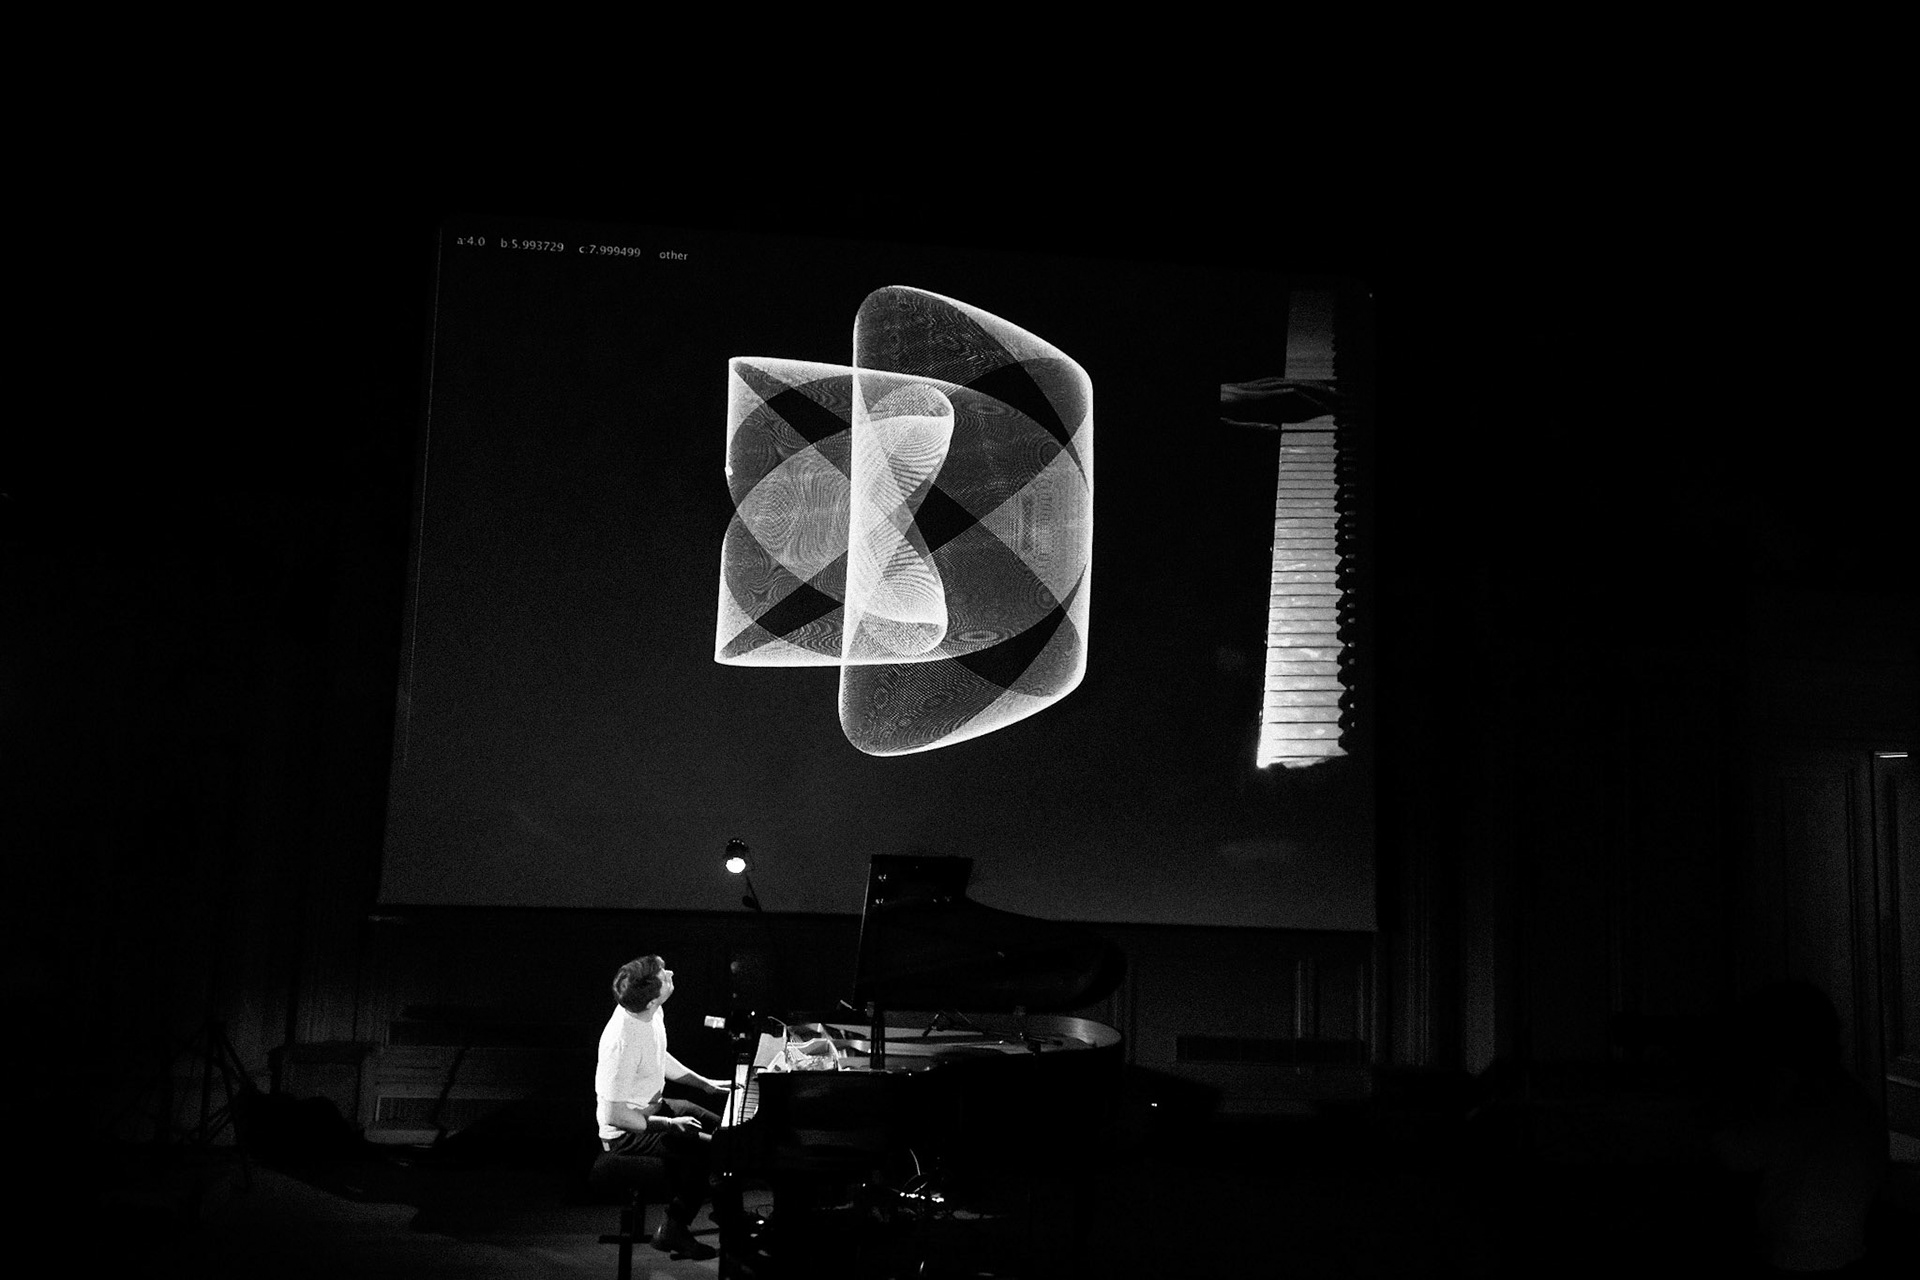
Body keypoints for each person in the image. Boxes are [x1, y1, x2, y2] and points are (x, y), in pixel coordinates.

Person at [595, 954, 736, 1259]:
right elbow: (615, 1115)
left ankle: (726, 1214)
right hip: (627, 1131)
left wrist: (704, 1084)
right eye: (664, 976)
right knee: (708, 1151)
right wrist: (671, 1125)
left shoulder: (649, 1012)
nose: (670, 972)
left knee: (728, 1136)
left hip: (653, 1108)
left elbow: (658, 1055)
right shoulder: (621, 1041)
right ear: (650, 1001)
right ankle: (677, 1228)